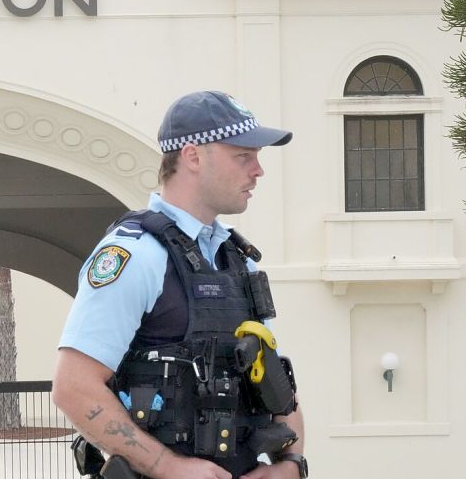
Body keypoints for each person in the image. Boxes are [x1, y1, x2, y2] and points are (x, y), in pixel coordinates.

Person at [53, 91, 307, 479]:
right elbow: (73, 386)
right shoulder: (136, 255)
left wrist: (289, 465)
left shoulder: (234, 259)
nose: (258, 170)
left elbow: (275, 380)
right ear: (192, 156)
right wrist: (167, 466)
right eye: (243, 156)